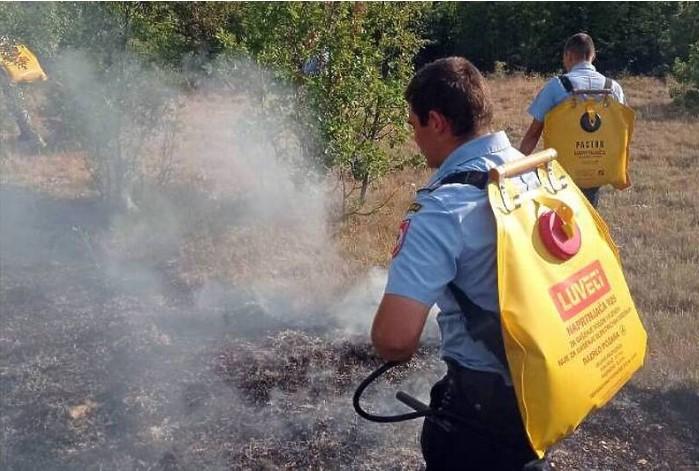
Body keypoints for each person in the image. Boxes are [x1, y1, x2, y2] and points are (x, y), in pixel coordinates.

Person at [370, 57, 548, 470]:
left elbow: (394, 340)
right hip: (543, 385)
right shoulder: (532, 170)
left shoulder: (442, 210)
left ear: (436, 122)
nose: (414, 138)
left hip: (484, 410)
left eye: (414, 125)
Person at [519, 33, 625, 207]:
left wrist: (516, 169)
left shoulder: (556, 86)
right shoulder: (613, 88)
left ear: (568, 55)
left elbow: (533, 134)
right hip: (599, 168)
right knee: (590, 214)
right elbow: (620, 131)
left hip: (562, 172)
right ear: (593, 55)